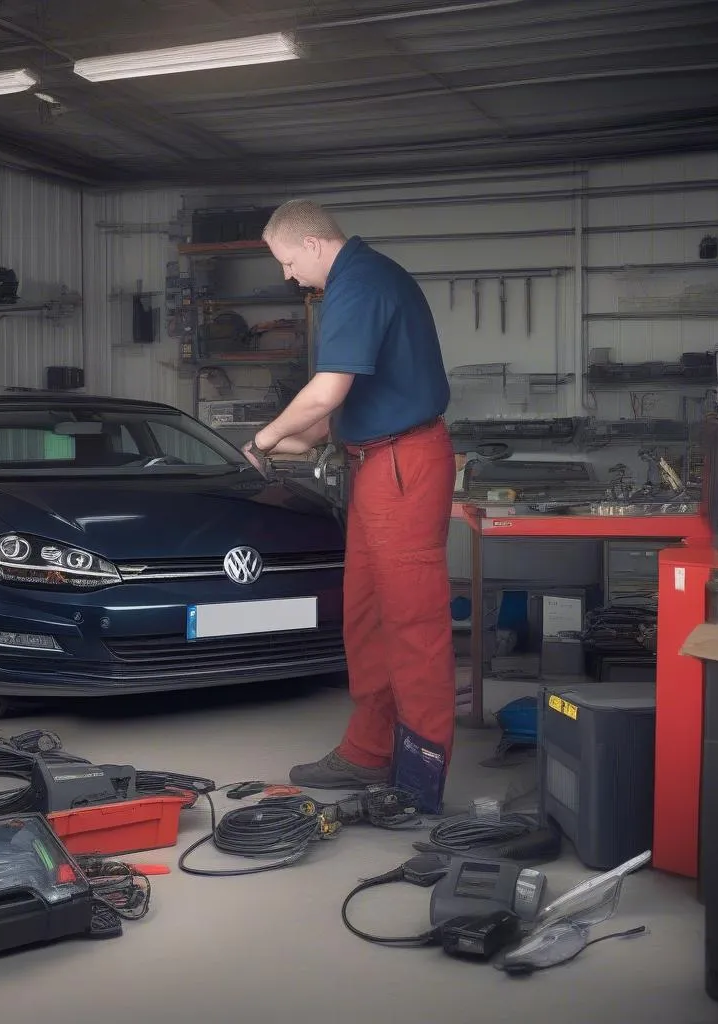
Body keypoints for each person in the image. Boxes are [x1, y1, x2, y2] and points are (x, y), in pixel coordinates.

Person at [244, 199, 456, 808]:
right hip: (374, 462)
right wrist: (273, 444)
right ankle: (368, 752)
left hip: (402, 464)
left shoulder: (358, 283)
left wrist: (260, 441)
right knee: (365, 617)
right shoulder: (354, 284)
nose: (287, 276)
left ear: (311, 244)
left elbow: (325, 392)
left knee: (413, 625)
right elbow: (322, 419)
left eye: (286, 262)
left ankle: (419, 782)